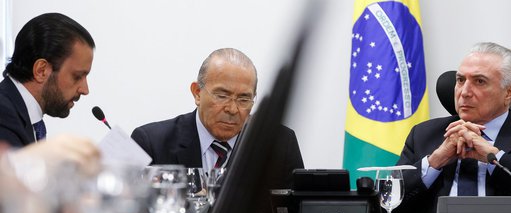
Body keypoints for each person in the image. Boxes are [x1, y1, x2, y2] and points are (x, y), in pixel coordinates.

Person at [395, 42, 511, 213]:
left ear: (509, 92)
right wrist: (435, 161)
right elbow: (388, 204)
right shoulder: (423, 135)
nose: (464, 92)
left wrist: (496, 157)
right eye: (460, 80)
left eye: (479, 81)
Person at [131, 48, 304, 190]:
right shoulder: (151, 143)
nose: (232, 109)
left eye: (244, 99)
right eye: (222, 96)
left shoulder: (280, 143)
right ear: (197, 93)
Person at [0, 13, 96, 147]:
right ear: (41, 71)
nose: (85, 90)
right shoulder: (4, 116)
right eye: (77, 76)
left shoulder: (19, 114)